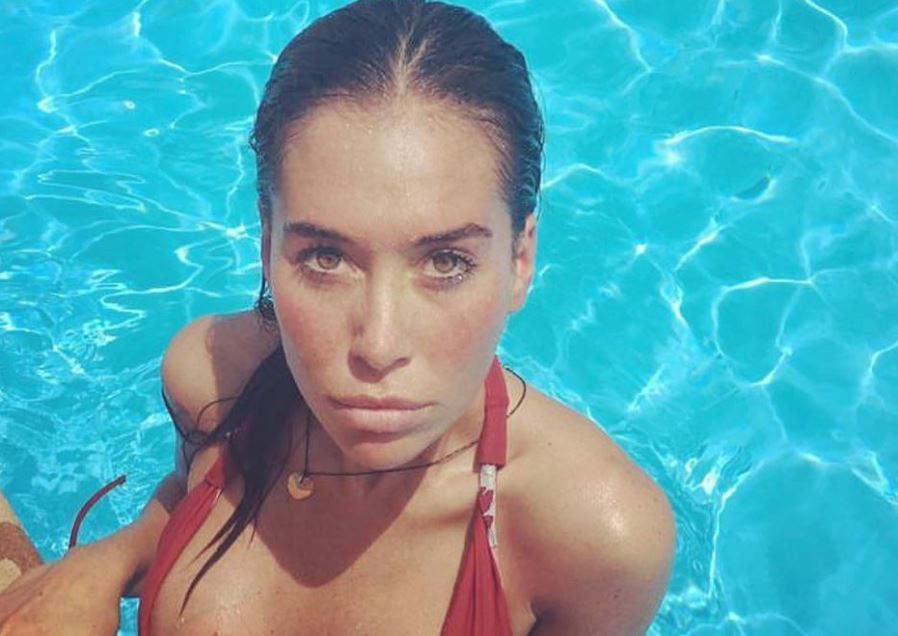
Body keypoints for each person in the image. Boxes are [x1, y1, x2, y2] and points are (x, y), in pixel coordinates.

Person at [0, 0, 676, 633]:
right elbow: (189, 492)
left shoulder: (597, 536)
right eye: (326, 257)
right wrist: (106, 562)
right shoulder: (212, 377)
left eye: (445, 261)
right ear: (267, 244)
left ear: (521, 259)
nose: (378, 346)